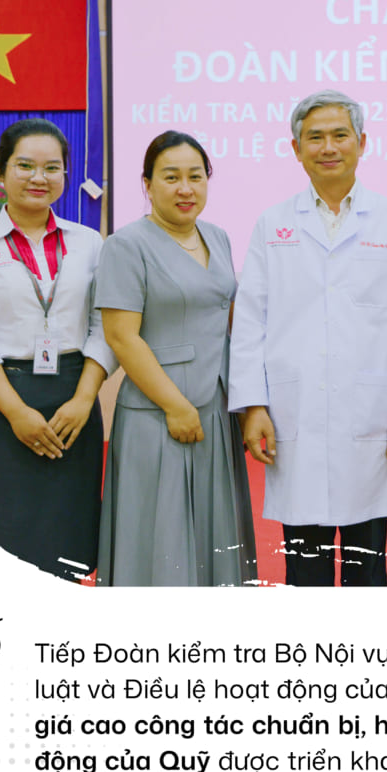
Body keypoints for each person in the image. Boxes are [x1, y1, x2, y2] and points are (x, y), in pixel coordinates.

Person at [230, 90, 387, 586]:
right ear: (296, 148)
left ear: (362, 143)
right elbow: (251, 323)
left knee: (369, 566)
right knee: (305, 566)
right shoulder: (273, 224)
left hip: (371, 413)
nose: (328, 147)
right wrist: (252, 406)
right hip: (294, 411)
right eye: (315, 137)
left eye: (340, 135)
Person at [0, 118, 114, 579]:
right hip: (3, 402)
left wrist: (84, 400)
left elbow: (105, 326)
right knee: (3, 535)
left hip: (74, 399)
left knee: (70, 533)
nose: (39, 177)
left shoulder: (89, 244)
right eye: (25, 166)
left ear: (64, 175)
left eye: (52, 168)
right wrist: (17, 413)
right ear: (1, 171)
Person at [95, 131, 256, 586]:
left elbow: (225, 321)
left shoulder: (217, 237)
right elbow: (121, 337)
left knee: (213, 527)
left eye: (195, 176)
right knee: (159, 534)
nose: (185, 188)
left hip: (217, 408)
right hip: (158, 412)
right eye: (171, 177)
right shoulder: (126, 245)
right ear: (147, 184)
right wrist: (175, 405)